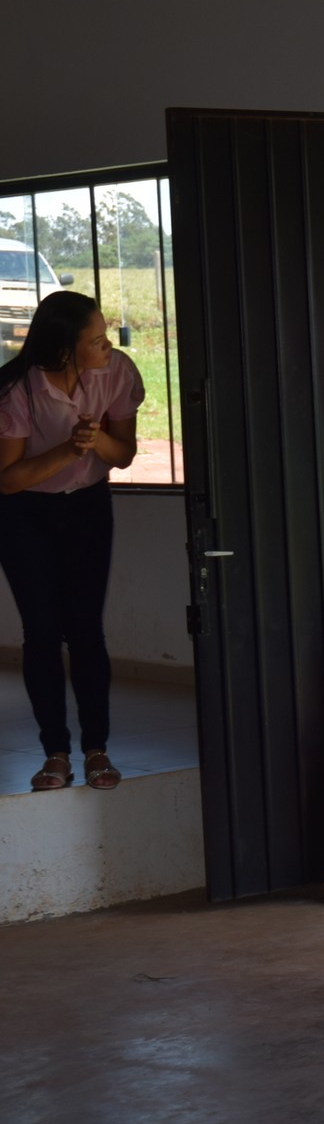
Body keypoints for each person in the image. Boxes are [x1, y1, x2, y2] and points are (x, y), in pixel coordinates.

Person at [0, 290, 143, 792]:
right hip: (24, 514)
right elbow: (8, 479)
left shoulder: (118, 373)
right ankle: (55, 753)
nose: (108, 345)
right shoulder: (18, 388)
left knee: (86, 630)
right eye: (96, 339)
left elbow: (122, 453)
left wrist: (93, 440)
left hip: (87, 506)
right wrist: (68, 449)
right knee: (42, 633)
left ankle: (97, 750)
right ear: (65, 348)